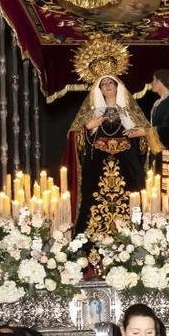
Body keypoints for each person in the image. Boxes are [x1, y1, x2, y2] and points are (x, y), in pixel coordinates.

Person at [68, 73, 148, 235]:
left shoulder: (129, 110)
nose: (107, 86)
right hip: (97, 164)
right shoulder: (93, 111)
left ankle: (132, 235)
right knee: (93, 195)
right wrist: (87, 127)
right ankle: (93, 234)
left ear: (118, 86)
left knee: (131, 194)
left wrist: (138, 132)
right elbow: (74, 135)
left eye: (110, 82)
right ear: (99, 89)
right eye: (103, 84)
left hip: (127, 163)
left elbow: (145, 137)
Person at [125, 55, 169, 190]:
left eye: (154, 80)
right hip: (159, 147)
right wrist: (138, 130)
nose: (152, 83)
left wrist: (145, 132)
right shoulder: (159, 102)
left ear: (161, 81)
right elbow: (155, 126)